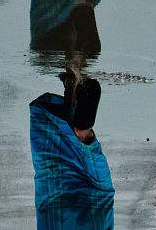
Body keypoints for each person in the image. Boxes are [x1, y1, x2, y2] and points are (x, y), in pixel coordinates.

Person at [30, 76, 114, 228]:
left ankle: (81, 123)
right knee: (55, 168)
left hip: (93, 206)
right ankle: (75, 108)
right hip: (58, 205)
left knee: (98, 192)